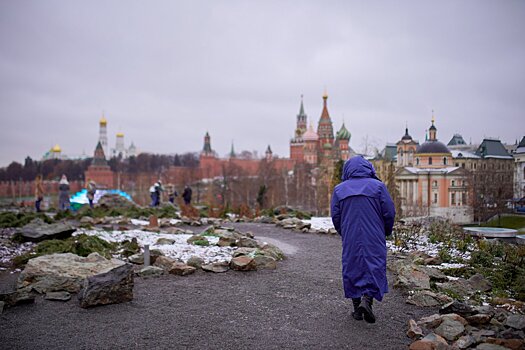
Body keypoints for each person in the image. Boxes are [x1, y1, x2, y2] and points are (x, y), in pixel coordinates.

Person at [330, 156, 395, 324]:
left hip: (351, 234)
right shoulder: (378, 187)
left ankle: (357, 308)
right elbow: (389, 212)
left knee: (352, 265)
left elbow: (335, 216)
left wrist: (343, 231)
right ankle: (367, 301)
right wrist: (386, 230)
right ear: (368, 168)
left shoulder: (339, 190)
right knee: (374, 264)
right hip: (374, 234)